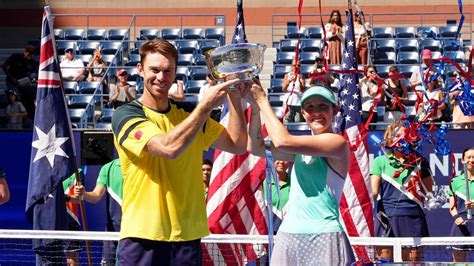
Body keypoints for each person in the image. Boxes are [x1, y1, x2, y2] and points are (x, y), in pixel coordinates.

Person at [111, 39, 247, 265]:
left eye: (168, 71)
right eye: (154, 70)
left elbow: (238, 144)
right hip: (142, 236)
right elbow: (167, 148)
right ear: (140, 69)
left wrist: (232, 93)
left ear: (175, 73)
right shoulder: (126, 114)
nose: (161, 77)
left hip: (187, 236)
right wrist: (204, 107)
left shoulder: (189, 113)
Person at [246, 83, 354, 265]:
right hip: (288, 235)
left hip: (325, 236)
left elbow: (281, 141)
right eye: (310, 107)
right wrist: (256, 110)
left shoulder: (338, 143)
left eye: (323, 106)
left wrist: (262, 100)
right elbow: (254, 147)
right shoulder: (299, 152)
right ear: (303, 114)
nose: (316, 112)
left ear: (334, 110)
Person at [371, 120, 433, 262]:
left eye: (404, 135)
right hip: (386, 218)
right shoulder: (380, 161)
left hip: (413, 218)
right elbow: (373, 192)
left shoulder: (420, 161)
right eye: (396, 135)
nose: (400, 139)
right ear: (389, 137)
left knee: (413, 263)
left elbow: (428, 192)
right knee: (385, 263)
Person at [75, 159, 123, 265]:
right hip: (112, 233)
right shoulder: (107, 168)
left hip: (134, 233)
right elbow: (96, 196)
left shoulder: (141, 166)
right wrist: (84, 194)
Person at [448, 147, 474, 262]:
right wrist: (457, 217)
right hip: (461, 225)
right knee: (458, 262)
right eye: (468, 157)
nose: (471, 160)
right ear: (462, 160)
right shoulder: (455, 182)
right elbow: (452, 207)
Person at [2, 45, 38, 123]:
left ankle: (29, 117)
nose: (29, 57)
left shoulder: (32, 62)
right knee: (15, 98)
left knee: (31, 95)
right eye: (28, 55)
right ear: (25, 52)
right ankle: (13, 119)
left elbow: (35, 73)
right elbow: (4, 66)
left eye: (31, 56)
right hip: (12, 80)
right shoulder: (15, 57)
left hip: (23, 82)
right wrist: (12, 79)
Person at [63, 170, 84, 266]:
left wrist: (66, 197)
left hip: (70, 221)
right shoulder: (47, 170)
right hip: (52, 220)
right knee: (51, 258)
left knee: (71, 260)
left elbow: (80, 200)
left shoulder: (78, 172)